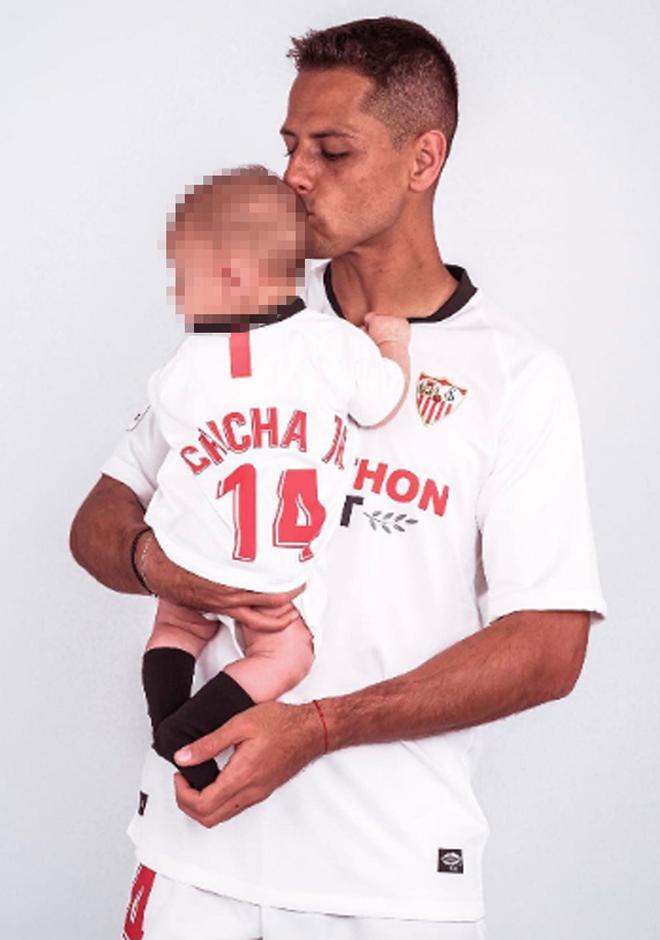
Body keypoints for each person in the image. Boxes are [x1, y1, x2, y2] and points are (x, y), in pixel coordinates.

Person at [69, 16, 607, 940]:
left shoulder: (518, 375)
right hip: (195, 873)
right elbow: (97, 521)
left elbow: (550, 647)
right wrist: (166, 570)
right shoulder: (241, 331)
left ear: (422, 158)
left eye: (332, 150)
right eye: (288, 146)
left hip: (393, 890)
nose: (294, 178)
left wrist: (318, 727)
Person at [140, 166, 409, 791]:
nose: (180, 297)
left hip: (186, 555)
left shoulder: (185, 365)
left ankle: (164, 711)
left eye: (185, 279)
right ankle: (187, 735)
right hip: (270, 577)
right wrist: (391, 345)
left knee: (177, 624)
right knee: (285, 655)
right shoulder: (332, 345)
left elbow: (175, 420)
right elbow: (382, 402)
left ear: (231, 277)